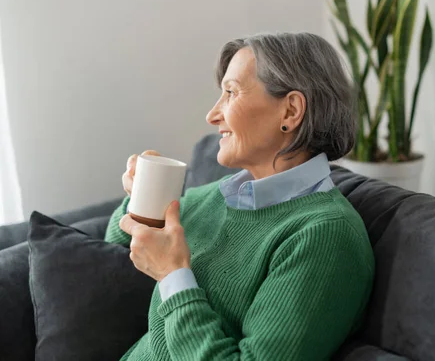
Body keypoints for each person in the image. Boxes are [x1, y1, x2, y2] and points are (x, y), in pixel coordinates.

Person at [104, 32, 375, 360]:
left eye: (231, 93)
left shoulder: (325, 236)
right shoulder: (218, 197)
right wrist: (140, 196)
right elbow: (116, 237)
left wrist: (173, 277)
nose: (213, 115)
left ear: (290, 111)